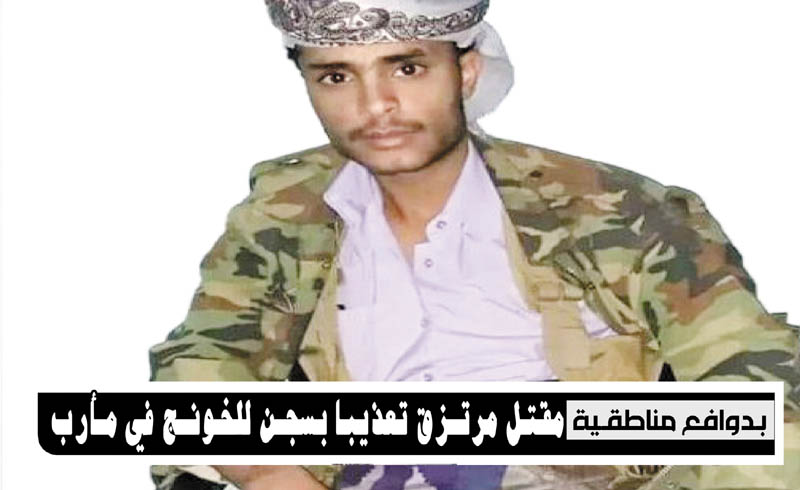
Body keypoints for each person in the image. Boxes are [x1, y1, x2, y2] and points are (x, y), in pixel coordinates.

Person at [149, 1, 800, 488]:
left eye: (406, 68)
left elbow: (759, 375)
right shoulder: (283, 216)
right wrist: (267, 473)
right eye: (337, 77)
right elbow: (201, 361)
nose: (376, 106)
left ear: (465, 72)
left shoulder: (611, 210)